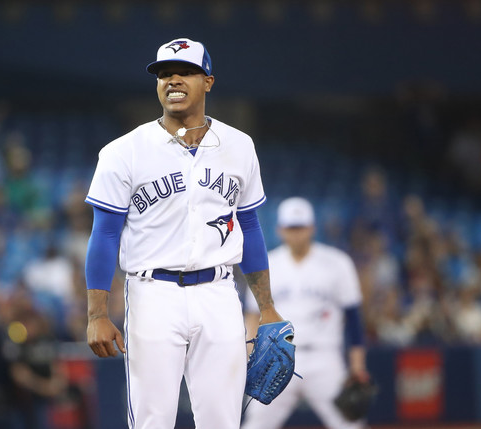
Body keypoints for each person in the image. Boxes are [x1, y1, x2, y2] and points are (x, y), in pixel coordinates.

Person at [84, 37, 285, 429]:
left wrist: (267, 307)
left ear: (207, 81)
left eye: (185, 72)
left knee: (222, 420)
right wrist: (96, 313)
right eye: (163, 73)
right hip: (152, 294)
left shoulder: (240, 146)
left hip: (218, 293)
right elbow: (105, 235)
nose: (172, 79)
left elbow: (249, 227)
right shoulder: (123, 151)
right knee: (152, 420)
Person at [242, 197, 370, 429]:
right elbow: (252, 315)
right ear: (280, 229)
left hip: (324, 357)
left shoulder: (337, 263)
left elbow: (353, 319)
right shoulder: (266, 264)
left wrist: (357, 366)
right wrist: (251, 357)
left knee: (349, 424)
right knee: (256, 425)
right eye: (291, 227)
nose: (296, 233)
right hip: (276, 358)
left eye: (300, 227)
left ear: (312, 227)